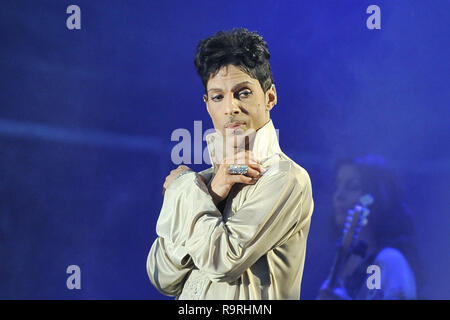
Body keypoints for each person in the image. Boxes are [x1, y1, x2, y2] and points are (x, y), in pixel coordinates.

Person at [146, 28, 314, 300]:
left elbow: (222, 262)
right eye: (218, 97)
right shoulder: (205, 184)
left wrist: (183, 189)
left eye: (243, 93)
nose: (230, 107)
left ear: (269, 97)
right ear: (207, 105)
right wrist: (211, 195)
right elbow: (161, 276)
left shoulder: (286, 178)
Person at [317, 154, 419, 300]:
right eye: (337, 185)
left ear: (376, 197)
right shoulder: (341, 263)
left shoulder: (389, 261)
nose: (339, 195)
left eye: (352, 187)